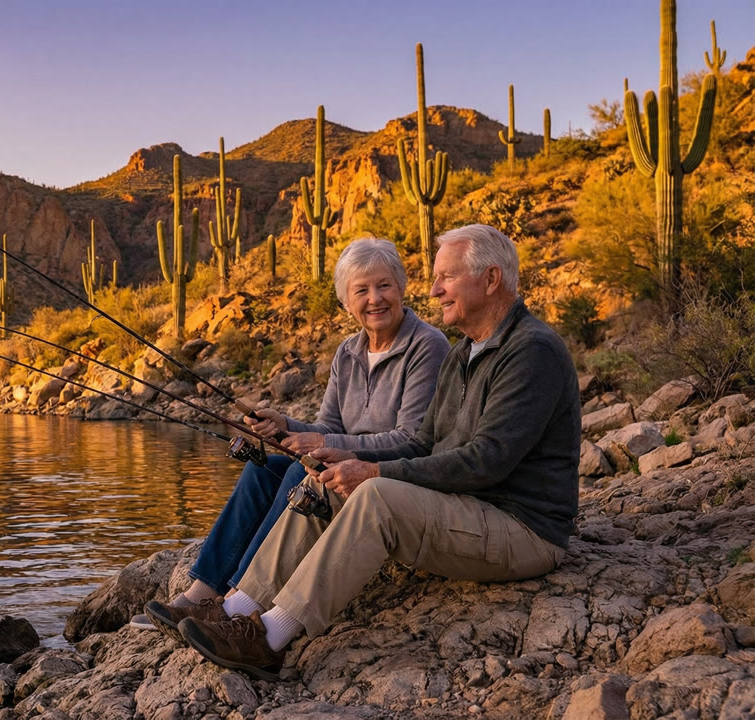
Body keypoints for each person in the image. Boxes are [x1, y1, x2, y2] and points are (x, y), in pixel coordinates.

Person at [173, 224, 580, 681]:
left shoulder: (531, 352)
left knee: (375, 496)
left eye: (446, 277)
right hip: (469, 507)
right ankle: (236, 608)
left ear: (490, 280)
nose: (434, 290)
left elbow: (487, 460)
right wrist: (343, 461)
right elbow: (421, 441)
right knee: (322, 482)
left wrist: (375, 472)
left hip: (522, 529)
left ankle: (267, 639)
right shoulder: (465, 352)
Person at [136, 237, 450, 635]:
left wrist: (324, 445)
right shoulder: (348, 352)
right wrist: (285, 426)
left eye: (384, 285)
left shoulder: (427, 346)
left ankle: (240, 599)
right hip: (342, 465)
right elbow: (327, 428)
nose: (375, 299)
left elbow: (412, 439)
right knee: (264, 469)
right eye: (362, 290)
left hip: (385, 475)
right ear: (346, 301)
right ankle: (203, 591)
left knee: (294, 475)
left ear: (402, 287)